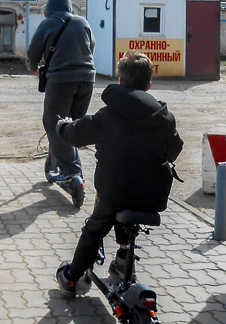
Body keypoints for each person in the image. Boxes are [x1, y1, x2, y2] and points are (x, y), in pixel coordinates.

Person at [54, 51, 184, 296]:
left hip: (114, 191)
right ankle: (124, 258)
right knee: (128, 211)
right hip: (153, 195)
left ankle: (71, 278)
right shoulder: (164, 117)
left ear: (120, 81)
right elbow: (175, 148)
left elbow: (76, 134)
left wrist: (62, 126)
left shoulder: (108, 115)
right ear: (149, 85)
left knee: (94, 229)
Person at [27, 0, 96, 207]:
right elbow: (91, 47)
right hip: (87, 80)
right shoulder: (83, 22)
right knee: (72, 125)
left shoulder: (47, 24)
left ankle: (73, 173)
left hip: (61, 81)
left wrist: (32, 66)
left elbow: (32, 54)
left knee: (53, 123)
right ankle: (62, 160)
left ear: (49, 9)